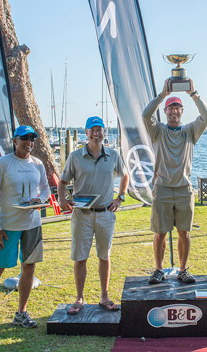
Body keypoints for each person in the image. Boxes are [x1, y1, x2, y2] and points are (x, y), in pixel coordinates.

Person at [142, 78, 207, 284]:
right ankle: (158, 269)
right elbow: (146, 114)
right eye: (170, 108)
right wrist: (162, 95)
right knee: (160, 233)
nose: (174, 112)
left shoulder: (190, 131)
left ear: (182, 111)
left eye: (177, 108)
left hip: (184, 189)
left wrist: (193, 94)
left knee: (184, 232)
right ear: (165, 112)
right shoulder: (158, 131)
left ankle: (183, 269)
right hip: (162, 188)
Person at [58, 116, 129, 315]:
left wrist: (120, 198)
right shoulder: (75, 156)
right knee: (80, 257)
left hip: (106, 213)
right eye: (92, 130)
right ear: (86, 133)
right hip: (82, 215)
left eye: (99, 130)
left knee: (104, 256)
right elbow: (63, 181)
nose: (96, 134)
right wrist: (62, 199)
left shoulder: (113, 155)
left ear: (104, 132)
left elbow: (125, 175)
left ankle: (104, 296)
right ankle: (79, 298)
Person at [0, 126, 50, 329]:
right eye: (25, 138)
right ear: (15, 140)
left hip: (32, 225)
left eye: (32, 139)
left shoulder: (38, 164)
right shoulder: (4, 163)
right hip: (7, 227)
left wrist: (39, 199)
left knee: (29, 267)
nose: (29, 142)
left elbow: (45, 190)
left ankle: (21, 313)